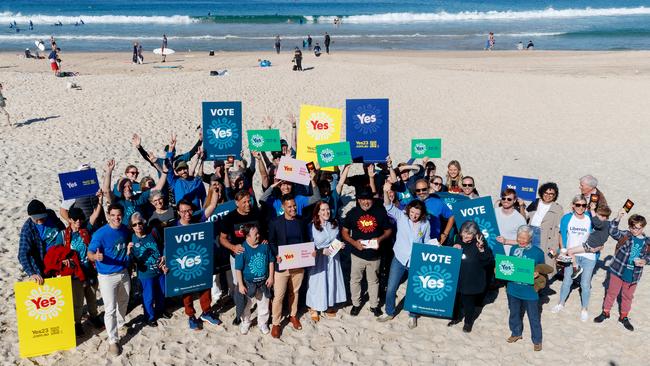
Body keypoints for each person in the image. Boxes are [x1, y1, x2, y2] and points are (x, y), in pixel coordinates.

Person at [377, 182, 430, 328]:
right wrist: (386, 192)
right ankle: (389, 311)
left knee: (413, 289)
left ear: (422, 214)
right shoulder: (401, 216)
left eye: (417, 214)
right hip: (399, 259)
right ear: (408, 210)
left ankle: (412, 315)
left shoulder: (425, 224)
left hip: (415, 261)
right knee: (391, 287)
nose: (414, 216)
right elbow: (388, 206)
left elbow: (426, 241)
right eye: (412, 212)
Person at [53, 200, 105, 335]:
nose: (78, 222)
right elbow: (57, 254)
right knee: (78, 300)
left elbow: (95, 216)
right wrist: (64, 261)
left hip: (90, 269)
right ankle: (77, 323)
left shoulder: (85, 229)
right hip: (75, 273)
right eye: (75, 220)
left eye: (80, 219)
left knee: (92, 296)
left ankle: (94, 317)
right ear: (69, 219)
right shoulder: (63, 235)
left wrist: (99, 201)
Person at [87, 203, 133, 355]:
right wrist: (96, 257)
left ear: (122, 215)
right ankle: (113, 340)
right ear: (108, 215)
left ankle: (120, 323)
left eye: (118, 215)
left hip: (123, 272)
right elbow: (89, 253)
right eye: (113, 215)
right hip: (107, 276)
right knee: (110, 309)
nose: (116, 218)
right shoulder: (100, 234)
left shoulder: (125, 230)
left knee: (124, 301)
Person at [593, 211, 649, 331]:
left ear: (643, 227)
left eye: (638, 228)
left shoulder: (647, 242)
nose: (635, 230)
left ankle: (623, 317)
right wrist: (619, 216)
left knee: (627, 296)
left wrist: (645, 261)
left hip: (634, 274)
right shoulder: (626, 235)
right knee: (612, 292)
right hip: (618, 270)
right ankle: (605, 312)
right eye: (633, 227)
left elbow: (649, 257)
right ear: (629, 227)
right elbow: (613, 231)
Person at [172, 195, 221, 330]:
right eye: (183, 211)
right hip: (183, 263)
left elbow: (211, 208)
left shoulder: (196, 219)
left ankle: (206, 312)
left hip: (199, 260)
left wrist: (215, 192)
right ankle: (191, 316)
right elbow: (169, 246)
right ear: (178, 212)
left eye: (189, 210)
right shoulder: (174, 227)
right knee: (186, 291)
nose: (187, 214)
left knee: (205, 286)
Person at [342, 187, 392, 317]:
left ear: (372, 199)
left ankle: (374, 305)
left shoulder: (380, 212)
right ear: (358, 200)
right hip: (357, 254)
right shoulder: (352, 213)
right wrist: (354, 243)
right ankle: (356, 304)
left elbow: (388, 231)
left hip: (375, 255)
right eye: (362, 199)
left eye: (368, 199)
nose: (365, 202)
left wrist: (379, 239)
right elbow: (344, 232)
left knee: (373, 281)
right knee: (355, 280)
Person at [219, 190, 267, 326]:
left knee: (258, 284)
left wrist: (264, 240)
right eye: (244, 202)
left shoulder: (257, 214)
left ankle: (258, 311)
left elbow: (264, 233)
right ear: (237, 203)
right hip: (238, 257)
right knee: (238, 286)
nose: (248, 204)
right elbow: (222, 239)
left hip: (256, 257)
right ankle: (239, 313)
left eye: (249, 201)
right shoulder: (229, 218)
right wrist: (233, 247)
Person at [269, 195, 312, 338]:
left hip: (298, 264)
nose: (293, 208)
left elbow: (306, 240)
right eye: (289, 206)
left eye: (294, 206)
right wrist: (276, 255)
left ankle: (293, 315)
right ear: (283, 207)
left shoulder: (301, 221)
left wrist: (309, 252)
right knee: (279, 296)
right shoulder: (275, 222)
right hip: (282, 265)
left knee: (295, 292)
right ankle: (276, 323)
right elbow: (272, 242)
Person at [551, 195, 594, 322]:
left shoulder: (590, 218)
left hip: (588, 256)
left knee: (585, 284)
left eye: (583, 205)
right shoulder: (567, 218)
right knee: (567, 281)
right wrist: (562, 249)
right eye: (578, 205)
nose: (581, 207)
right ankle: (561, 303)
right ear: (573, 205)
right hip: (571, 255)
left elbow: (598, 233)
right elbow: (561, 234)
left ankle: (584, 309)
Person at [448, 221, 494, 333]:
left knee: (469, 303)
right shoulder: (456, 238)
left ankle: (468, 322)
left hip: (471, 279)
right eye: (464, 233)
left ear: (474, 235)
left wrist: (481, 249)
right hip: (457, 277)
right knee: (455, 300)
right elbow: (447, 253)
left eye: (469, 234)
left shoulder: (480, 243)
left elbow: (487, 261)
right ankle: (455, 318)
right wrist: (453, 247)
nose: (465, 236)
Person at [505, 225, 545, 352]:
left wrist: (538, 273)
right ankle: (516, 333)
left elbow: (543, 270)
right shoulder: (513, 249)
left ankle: (537, 340)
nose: (521, 240)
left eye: (524, 238)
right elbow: (509, 266)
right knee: (514, 313)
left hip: (530, 291)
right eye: (519, 237)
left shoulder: (538, 253)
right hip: (513, 288)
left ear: (531, 238)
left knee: (533, 317)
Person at [306, 201, 347, 321]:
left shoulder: (334, 223)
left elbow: (337, 239)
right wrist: (320, 251)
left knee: (331, 281)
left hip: (333, 259)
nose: (326, 212)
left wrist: (341, 245)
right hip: (319, 259)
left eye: (328, 209)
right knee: (316, 283)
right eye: (323, 210)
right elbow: (308, 246)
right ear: (318, 212)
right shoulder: (311, 226)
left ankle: (328, 304)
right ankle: (313, 306)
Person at [129, 212, 169, 327]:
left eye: (140, 223)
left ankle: (160, 311)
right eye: (134, 225)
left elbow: (163, 246)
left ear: (144, 222)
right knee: (148, 297)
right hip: (145, 273)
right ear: (131, 226)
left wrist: (164, 257)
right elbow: (130, 260)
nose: (138, 226)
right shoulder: (131, 238)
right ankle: (150, 317)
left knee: (162, 292)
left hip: (159, 269)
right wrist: (129, 253)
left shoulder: (153, 232)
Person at [234, 224, 274, 335]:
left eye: (258, 233)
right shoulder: (242, 249)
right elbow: (238, 269)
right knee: (246, 306)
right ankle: (246, 322)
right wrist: (241, 285)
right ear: (247, 236)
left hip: (263, 283)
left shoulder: (264, 246)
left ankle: (262, 323)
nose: (258, 235)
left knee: (264, 305)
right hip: (248, 284)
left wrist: (271, 277)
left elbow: (271, 261)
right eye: (255, 234)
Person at [18, 200, 66, 285]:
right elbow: (22, 254)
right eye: (36, 218)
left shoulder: (51, 215)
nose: (40, 220)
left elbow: (63, 230)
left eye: (42, 217)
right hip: (42, 265)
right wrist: (32, 273)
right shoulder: (27, 229)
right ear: (31, 217)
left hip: (60, 259)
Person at [520, 182, 563, 271]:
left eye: (551, 194)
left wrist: (554, 247)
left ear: (555, 195)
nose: (548, 195)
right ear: (542, 192)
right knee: (527, 256)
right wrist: (521, 206)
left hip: (544, 236)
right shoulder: (535, 202)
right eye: (546, 193)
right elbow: (524, 218)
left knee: (541, 260)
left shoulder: (558, 208)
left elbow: (558, 229)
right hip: (530, 232)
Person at [567, 205, 611, 278]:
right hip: (590, 245)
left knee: (570, 251)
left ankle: (576, 268)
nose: (596, 217)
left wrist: (592, 210)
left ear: (604, 217)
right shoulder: (608, 224)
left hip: (590, 246)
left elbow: (596, 222)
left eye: (598, 215)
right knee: (569, 251)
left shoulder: (603, 224)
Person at [495, 189, 527, 255]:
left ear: (514, 200)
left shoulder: (520, 219)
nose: (506, 201)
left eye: (509, 199)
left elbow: (524, 241)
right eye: (504, 198)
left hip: (507, 255)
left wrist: (506, 241)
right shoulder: (494, 212)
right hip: (491, 253)